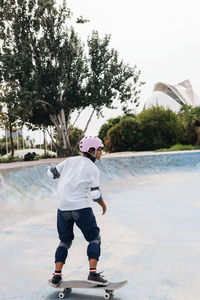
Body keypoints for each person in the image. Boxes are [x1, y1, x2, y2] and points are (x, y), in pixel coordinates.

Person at [48, 137, 108, 287]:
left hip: (63, 209)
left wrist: (62, 177)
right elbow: (95, 195)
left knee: (65, 241)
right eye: (100, 149)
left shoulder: (69, 161)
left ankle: (56, 276)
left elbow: (51, 173)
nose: (101, 152)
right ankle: (93, 274)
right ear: (92, 151)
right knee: (94, 239)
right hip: (81, 208)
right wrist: (103, 204)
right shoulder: (93, 169)